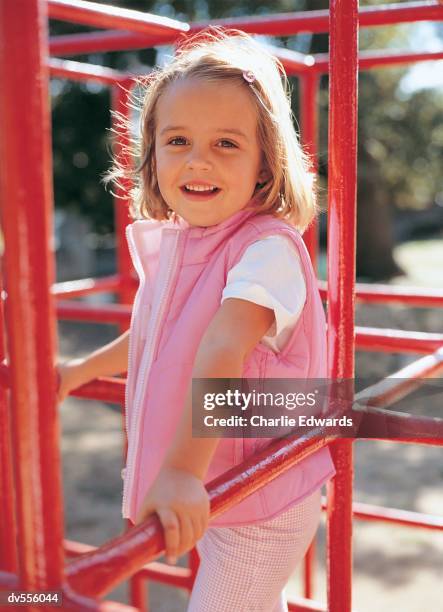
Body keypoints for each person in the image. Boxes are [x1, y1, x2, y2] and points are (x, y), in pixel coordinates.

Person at [57, 28, 336, 612]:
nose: (198, 160)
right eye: (177, 140)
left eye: (227, 144)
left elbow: (220, 349)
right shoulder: (194, 245)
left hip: (258, 499)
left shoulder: (267, 250)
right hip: (219, 485)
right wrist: (78, 372)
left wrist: (182, 470)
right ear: (152, 155)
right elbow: (159, 337)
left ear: (266, 163)